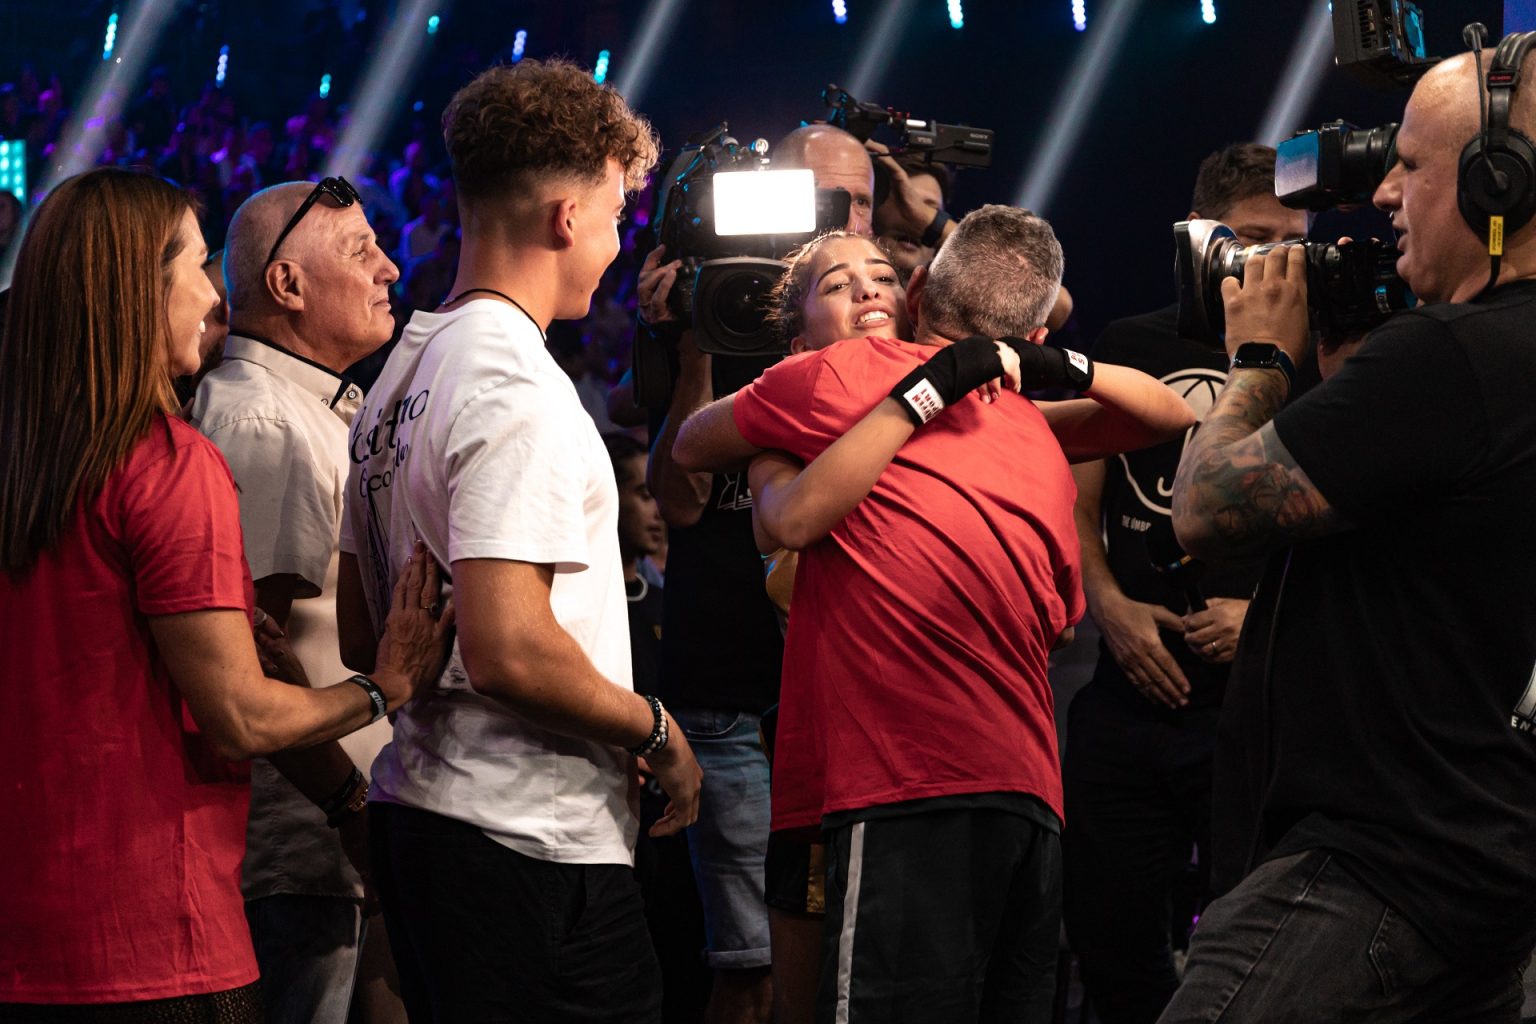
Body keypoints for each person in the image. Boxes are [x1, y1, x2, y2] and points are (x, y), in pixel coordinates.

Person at [674, 210, 1194, 1023]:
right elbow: (736, 480)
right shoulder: (855, 386)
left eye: (881, 276)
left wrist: (1021, 362)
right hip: (956, 782)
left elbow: (702, 456)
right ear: (797, 334)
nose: (867, 291)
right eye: (837, 284)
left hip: (908, 780)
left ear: (914, 294)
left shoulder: (986, 402)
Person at [0, 167, 449, 1019]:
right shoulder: (174, 460)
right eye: (195, 266)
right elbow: (241, 712)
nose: (214, 296)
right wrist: (385, 686)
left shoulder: (35, 462)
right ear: (135, 291)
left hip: (37, 924)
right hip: (158, 929)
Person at [1162, 42, 1536, 1021]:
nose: (1382, 196)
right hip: (1487, 871)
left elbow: (1204, 510)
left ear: (1498, 180)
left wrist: (1258, 357)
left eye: (1410, 166)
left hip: (1376, 864)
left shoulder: (1450, 355)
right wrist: (1343, 384)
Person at [337, 59, 702, 1023]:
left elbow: (364, 635)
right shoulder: (512, 381)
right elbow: (507, 649)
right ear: (566, 217)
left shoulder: (398, 377)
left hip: (432, 820)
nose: (619, 244)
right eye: (617, 214)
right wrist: (654, 731)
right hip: (525, 844)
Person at [628, 123, 881, 1024]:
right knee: (750, 967)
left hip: (852, 697)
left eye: (857, 203)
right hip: (728, 689)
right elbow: (681, 503)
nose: (839, 220)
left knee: (853, 965)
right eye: (824, 199)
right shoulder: (712, 308)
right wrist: (693, 337)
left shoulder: (888, 324)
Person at [1061, 142, 1306, 1024]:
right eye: (1254, 238)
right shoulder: (1130, 343)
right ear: (1201, 235)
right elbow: (1076, 505)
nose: (1275, 261)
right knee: (1111, 946)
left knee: (1251, 953)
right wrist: (1111, 609)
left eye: (1291, 241)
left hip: (1257, 713)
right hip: (1128, 698)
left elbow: (1355, 528)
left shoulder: (1324, 357)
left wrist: (1265, 618)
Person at [190, 178, 403, 1024]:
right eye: (360, 251)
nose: (388, 268)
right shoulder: (264, 422)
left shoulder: (303, 408)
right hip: (301, 850)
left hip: (328, 842)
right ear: (287, 285)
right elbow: (247, 658)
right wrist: (347, 806)